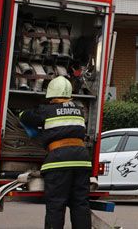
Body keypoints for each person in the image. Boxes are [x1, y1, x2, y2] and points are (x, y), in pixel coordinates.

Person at [20, 76, 92, 229]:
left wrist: (22, 113)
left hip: (59, 161)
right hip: (82, 161)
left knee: (56, 205)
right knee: (80, 204)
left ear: (51, 94)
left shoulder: (46, 110)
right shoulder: (79, 111)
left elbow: (25, 117)